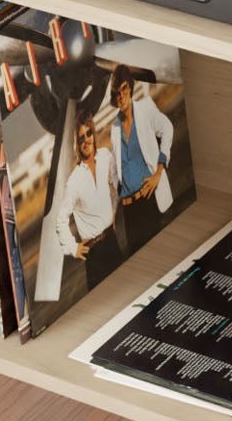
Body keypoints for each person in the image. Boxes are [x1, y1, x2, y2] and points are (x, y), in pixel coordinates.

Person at [110, 73, 176, 256]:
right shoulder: (114, 129)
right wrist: (114, 209)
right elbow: (115, 173)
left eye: (124, 89)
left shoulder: (145, 108)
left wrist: (159, 173)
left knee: (162, 255)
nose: (121, 95)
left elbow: (167, 129)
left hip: (149, 200)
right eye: (116, 93)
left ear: (130, 88)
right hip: (130, 211)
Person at [49, 112, 119, 285]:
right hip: (94, 252)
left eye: (88, 134)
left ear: (93, 134)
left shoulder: (105, 156)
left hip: (112, 241)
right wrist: (73, 248)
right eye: (80, 138)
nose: (86, 140)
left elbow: (116, 183)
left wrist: (114, 213)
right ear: (76, 145)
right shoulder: (74, 181)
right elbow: (60, 221)